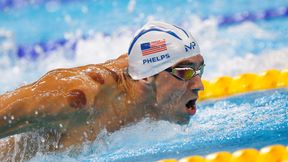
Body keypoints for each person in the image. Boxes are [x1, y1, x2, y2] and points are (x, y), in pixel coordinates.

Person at [0, 21, 204, 160]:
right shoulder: (76, 98)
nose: (199, 85)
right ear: (146, 77)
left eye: (198, 70)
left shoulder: (151, 85)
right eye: (185, 72)